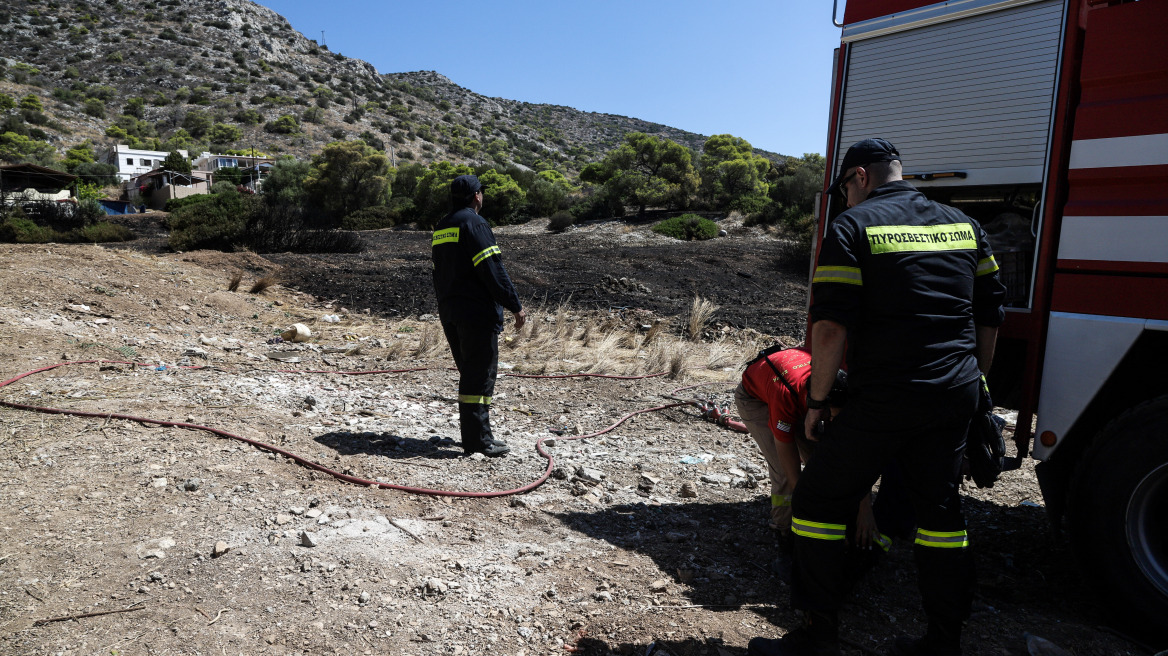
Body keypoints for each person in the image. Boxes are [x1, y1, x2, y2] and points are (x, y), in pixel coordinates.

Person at [747, 139, 1006, 656]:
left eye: (844, 187)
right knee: (940, 515)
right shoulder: (965, 226)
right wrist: (973, 382)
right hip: (955, 391)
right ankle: (942, 641)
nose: (844, 198)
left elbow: (828, 327)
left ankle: (818, 636)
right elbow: (991, 315)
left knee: (818, 501)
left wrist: (818, 402)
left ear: (859, 176)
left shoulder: (852, 226)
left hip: (886, 395)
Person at [432, 174, 527, 457]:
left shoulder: (443, 226)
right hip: (476, 314)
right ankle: (477, 441)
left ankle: (479, 435)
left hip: (450, 311)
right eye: (482, 193)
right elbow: (492, 269)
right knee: (479, 377)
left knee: (471, 375)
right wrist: (514, 305)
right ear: (477, 196)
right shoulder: (474, 223)